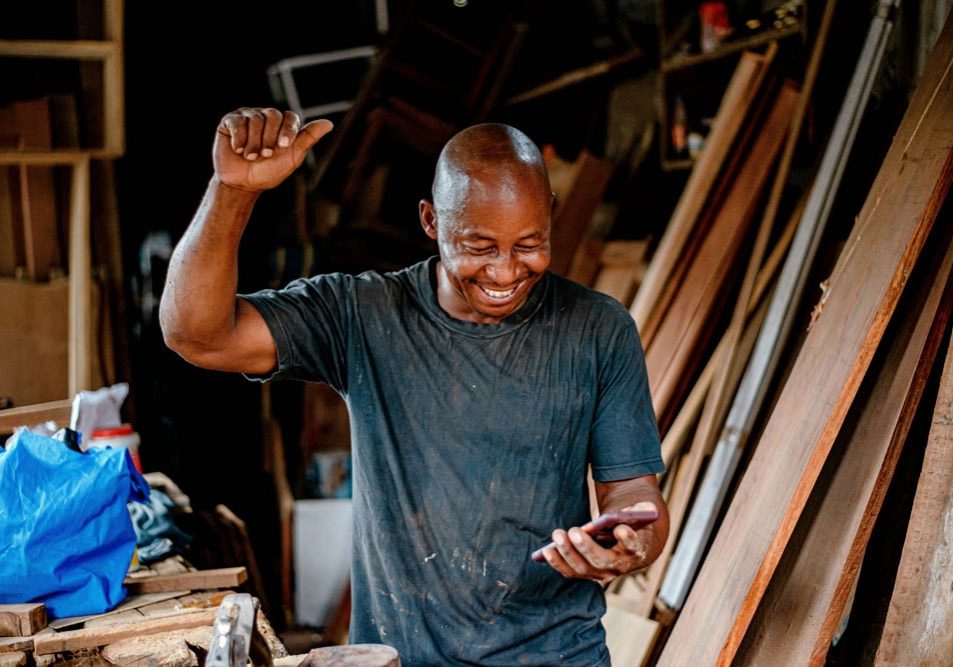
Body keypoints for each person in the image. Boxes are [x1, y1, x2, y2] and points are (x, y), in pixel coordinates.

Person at [160, 107, 669, 666]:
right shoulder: (360, 315)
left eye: (529, 244)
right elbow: (197, 335)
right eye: (478, 246)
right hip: (401, 659)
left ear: (550, 215)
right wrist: (232, 192)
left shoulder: (597, 329)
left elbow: (634, 496)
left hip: (558, 656)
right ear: (431, 221)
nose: (504, 271)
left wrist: (628, 541)